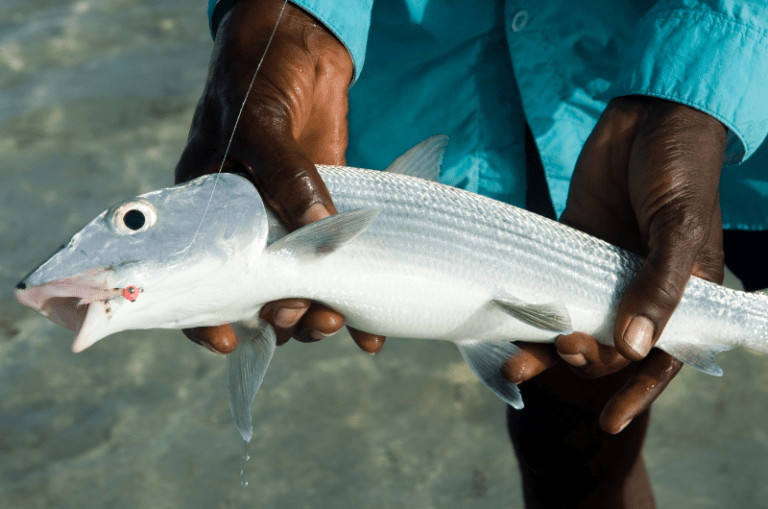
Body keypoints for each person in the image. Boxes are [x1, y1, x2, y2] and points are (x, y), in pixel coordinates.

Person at [175, 0, 768, 506]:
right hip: (460, 102)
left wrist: (708, 64)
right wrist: (288, 12)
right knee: (574, 439)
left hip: (729, 81)